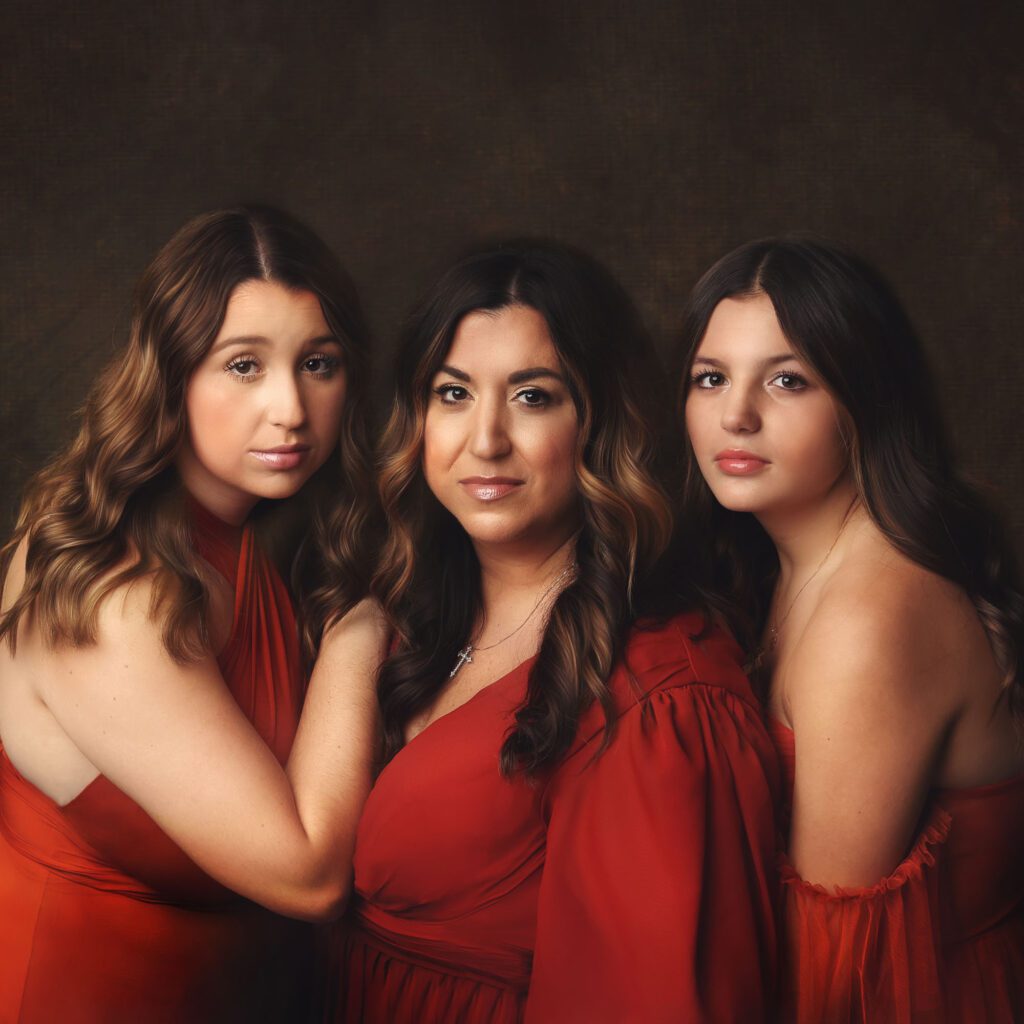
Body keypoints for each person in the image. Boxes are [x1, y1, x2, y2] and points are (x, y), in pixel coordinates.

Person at [330, 240, 781, 1023]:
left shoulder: (658, 695)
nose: (486, 439)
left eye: (533, 397)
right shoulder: (408, 621)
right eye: (454, 393)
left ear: (599, 423)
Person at [0, 206, 383, 1023]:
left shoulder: (241, 539)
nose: (289, 407)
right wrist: (361, 635)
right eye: (243, 365)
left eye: (318, 363)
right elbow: (309, 877)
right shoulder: (111, 581)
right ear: (171, 372)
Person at [680, 235, 1024, 1022]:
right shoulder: (785, 563)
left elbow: (830, 973)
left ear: (864, 401)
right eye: (710, 378)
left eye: (788, 380)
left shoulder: (870, 616)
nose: (736, 414)